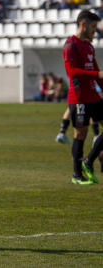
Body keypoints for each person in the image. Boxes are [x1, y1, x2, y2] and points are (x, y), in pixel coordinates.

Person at [62, 10, 103, 185]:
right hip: (79, 97)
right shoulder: (70, 45)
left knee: (85, 132)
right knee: (81, 133)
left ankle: (89, 161)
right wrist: (97, 73)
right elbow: (72, 72)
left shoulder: (89, 46)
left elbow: (97, 74)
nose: (96, 30)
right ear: (83, 24)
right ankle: (77, 175)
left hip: (93, 95)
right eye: (93, 27)